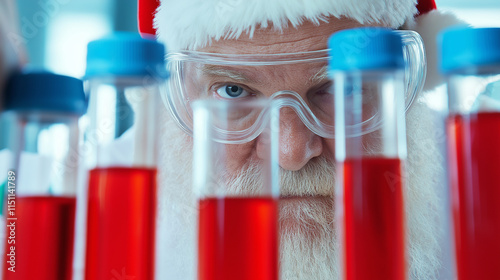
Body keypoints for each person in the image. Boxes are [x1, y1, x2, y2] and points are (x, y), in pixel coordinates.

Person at [150, 0, 467, 279]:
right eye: (233, 90)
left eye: (343, 89)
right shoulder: (106, 217)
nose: (290, 153)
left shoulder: (483, 185)